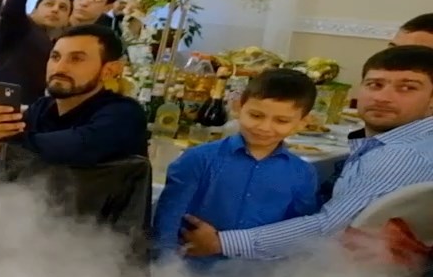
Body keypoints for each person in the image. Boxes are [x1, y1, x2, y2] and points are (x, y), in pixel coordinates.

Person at [180, 45, 433, 261]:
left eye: (407, 88)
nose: (383, 97)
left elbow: (330, 229)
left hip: (349, 276)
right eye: (375, 85)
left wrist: (221, 242)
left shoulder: (400, 156)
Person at [153, 69, 321, 270]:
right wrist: (166, 271)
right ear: (238, 107)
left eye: (281, 121)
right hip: (192, 272)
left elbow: (296, 232)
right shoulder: (199, 158)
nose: (264, 127)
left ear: (302, 123)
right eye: (256, 115)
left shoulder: (302, 174)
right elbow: (167, 221)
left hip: (259, 276)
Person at [0, 23, 146, 173]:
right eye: (55, 57)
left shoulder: (124, 114)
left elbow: (79, 146)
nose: (60, 68)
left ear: (110, 70)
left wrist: (6, 146)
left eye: (76, 59)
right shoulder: (42, 108)